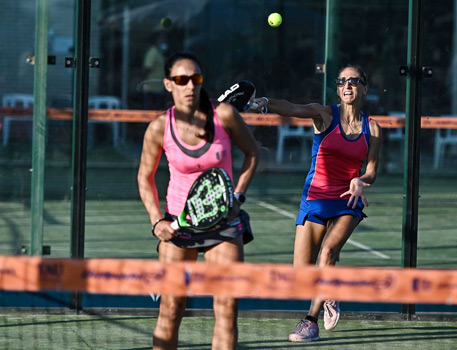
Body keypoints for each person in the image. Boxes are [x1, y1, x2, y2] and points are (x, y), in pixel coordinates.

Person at [251, 65, 382, 342]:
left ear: (364, 88)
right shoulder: (324, 115)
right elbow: (292, 108)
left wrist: (361, 180)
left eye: (354, 81)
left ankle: (310, 323)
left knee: (328, 251)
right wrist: (265, 103)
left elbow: (371, 169)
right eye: (342, 81)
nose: (348, 86)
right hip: (315, 198)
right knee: (302, 276)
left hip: (348, 200)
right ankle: (330, 288)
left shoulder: (372, 128)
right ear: (338, 88)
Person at [137, 52, 259, 350]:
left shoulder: (225, 116)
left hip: (225, 225)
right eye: (181, 80)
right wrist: (157, 222)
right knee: (170, 312)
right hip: (178, 228)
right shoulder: (158, 128)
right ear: (168, 84)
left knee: (227, 311)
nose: (190, 85)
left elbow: (253, 154)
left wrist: (238, 196)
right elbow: (144, 178)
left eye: (196, 79)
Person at [142, 32, 168, 110]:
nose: (164, 42)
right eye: (162, 40)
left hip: (158, 89)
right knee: (150, 114)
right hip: (151, 89)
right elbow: (147, 68)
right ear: (156, 40)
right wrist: (143, 82)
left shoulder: (159, 53)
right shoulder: (152, 52)